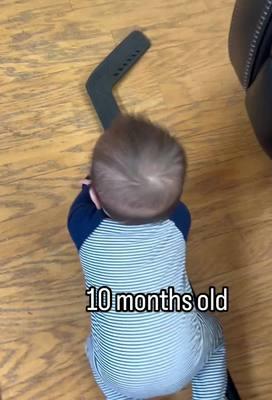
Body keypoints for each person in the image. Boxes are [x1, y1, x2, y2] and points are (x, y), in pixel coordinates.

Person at [67, 114, 227, 399]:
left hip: (121, 376)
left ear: (95, 198)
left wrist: (89, 185)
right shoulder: (179, 220)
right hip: (186, 359)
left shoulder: (82, 226)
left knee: (94, 350)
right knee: (213, 337)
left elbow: (86, 194)